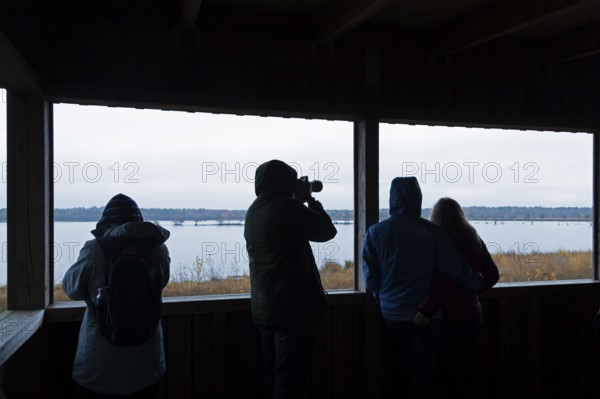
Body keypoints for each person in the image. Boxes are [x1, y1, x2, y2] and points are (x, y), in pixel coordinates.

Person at [362, 177, 487, 399]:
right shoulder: (432, 232)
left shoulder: (375, 232)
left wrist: (382, 300)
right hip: (428, 318)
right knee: (423, 377)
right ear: (417, 198)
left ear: (392, 198)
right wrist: (479, 283)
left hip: (391, 315)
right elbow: (455, 268)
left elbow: (371, 278)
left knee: (394, 373)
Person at [243, 159, 337, 399]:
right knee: (287, 379)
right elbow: (327, 231)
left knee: (271, 375)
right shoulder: (288, 208)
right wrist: (310, 200)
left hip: (264, 308)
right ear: (285, 183)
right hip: (290, 310)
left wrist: (296, 199)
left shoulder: (254, 210)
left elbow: (283, 232)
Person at [62, 193, 171, 399]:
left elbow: (71, 289)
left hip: (100, 368)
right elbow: (161, 284)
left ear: (105, 224)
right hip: (148, 364)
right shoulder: (158, 248)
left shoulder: (96, 248)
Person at [415, 197, 499, 399]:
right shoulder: (473, 238)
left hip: (446, 318)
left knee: (442, 374)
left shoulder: (439, 240)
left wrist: (426, 309)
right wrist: (473, 287)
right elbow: (493, 275)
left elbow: (444, 281)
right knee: (466, 371)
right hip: (472, 314)